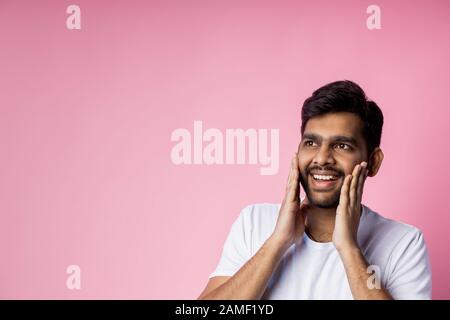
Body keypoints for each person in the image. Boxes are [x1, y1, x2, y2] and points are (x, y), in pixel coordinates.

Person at [197, 80, 432, 300]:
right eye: (311, 143)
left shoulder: (403, 243)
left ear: (373, 162)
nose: (321, 158)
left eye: (342, 145)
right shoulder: (254, 222)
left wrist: (349, 249)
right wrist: (277, 242)